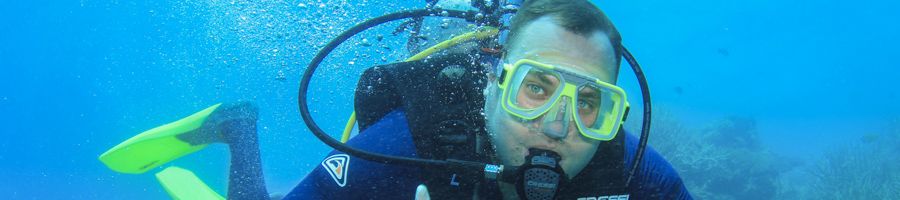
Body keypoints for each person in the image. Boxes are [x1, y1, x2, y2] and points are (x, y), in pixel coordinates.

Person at [99, 0, 692, 199]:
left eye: (591, 102)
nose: (560, 125)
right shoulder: (405, 147)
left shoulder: (634, 172)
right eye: (535, 89)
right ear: (492, 85)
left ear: (614, 114)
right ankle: (236, 125)